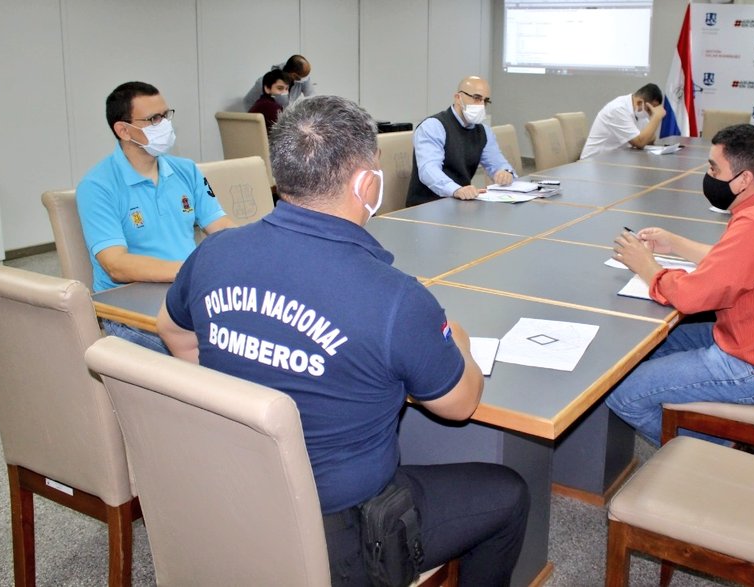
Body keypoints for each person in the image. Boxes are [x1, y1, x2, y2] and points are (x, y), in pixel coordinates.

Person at [158, 95, 529, 586]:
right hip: (345, 534)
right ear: (364, 183)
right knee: (508, 493)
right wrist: (457, 339)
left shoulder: (214, 252)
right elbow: (460, 405)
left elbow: (173, 332)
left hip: (234, 490)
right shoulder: (395, 298)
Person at [605, 124, 754, 447]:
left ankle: (718, 454)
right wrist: (675, 243)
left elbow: (691, 297)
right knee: (641, 350)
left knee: (622, 393)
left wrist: (647, 267)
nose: (708, 175)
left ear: (744, 179)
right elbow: (737, 262)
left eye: (714, 168)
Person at [77, 81, 234, 354]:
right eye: (153, 119)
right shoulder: (98, 186)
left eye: (166, 115)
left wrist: (250, 252)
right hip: (130, 308)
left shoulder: (187, 170)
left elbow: (220, 225)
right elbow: (116, 265)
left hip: (186, 290)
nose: (164, 125)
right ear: (123, 130)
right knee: (213, 353)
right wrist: (188, 271)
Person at [406, 76, 516, 207]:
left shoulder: (483, 131)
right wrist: (455, 190)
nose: (481, 105)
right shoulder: (433, 126)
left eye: (485, 101)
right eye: (476, 98)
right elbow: (428, 170)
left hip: (461, 203)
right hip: (427, 206)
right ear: (458, 98)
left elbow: (498, 163)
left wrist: (505, 173)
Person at [580, 83, 666, 159]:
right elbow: (640, 143)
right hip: (593, 162)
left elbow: (650, 139)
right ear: (640, 103)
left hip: (615, 160)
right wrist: (656, 117)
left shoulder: (639, 111)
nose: (651, 114)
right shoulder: (618, 109)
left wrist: (653, 118)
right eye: (650, 110)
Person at [242, 54, 314, 111]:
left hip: (282, 117)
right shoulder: (264, 82)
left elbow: (312, 98)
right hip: (268, 117)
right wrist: (256, 121)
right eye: (280, 88)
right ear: (293, 75)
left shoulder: (303, 78)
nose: (305, 79)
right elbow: (248, 102)